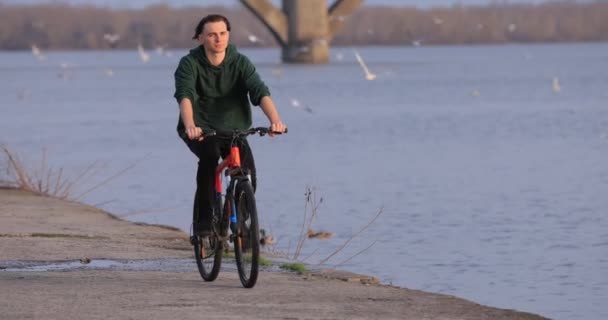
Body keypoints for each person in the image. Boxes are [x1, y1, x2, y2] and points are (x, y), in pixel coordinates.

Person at [173, 14, 286, 236]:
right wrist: (190, 125)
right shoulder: (190, 64)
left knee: (248, 175)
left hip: (235, 129)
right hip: (201, 129)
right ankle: (205, 221)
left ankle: (238, 221)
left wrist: (275, 121)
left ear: (228, 35)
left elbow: (259, 91)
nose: (218, 39)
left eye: (223, 33)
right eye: (212, 34)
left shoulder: (240, 62)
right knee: (209, 158)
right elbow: (184, 96)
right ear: (200, 38)